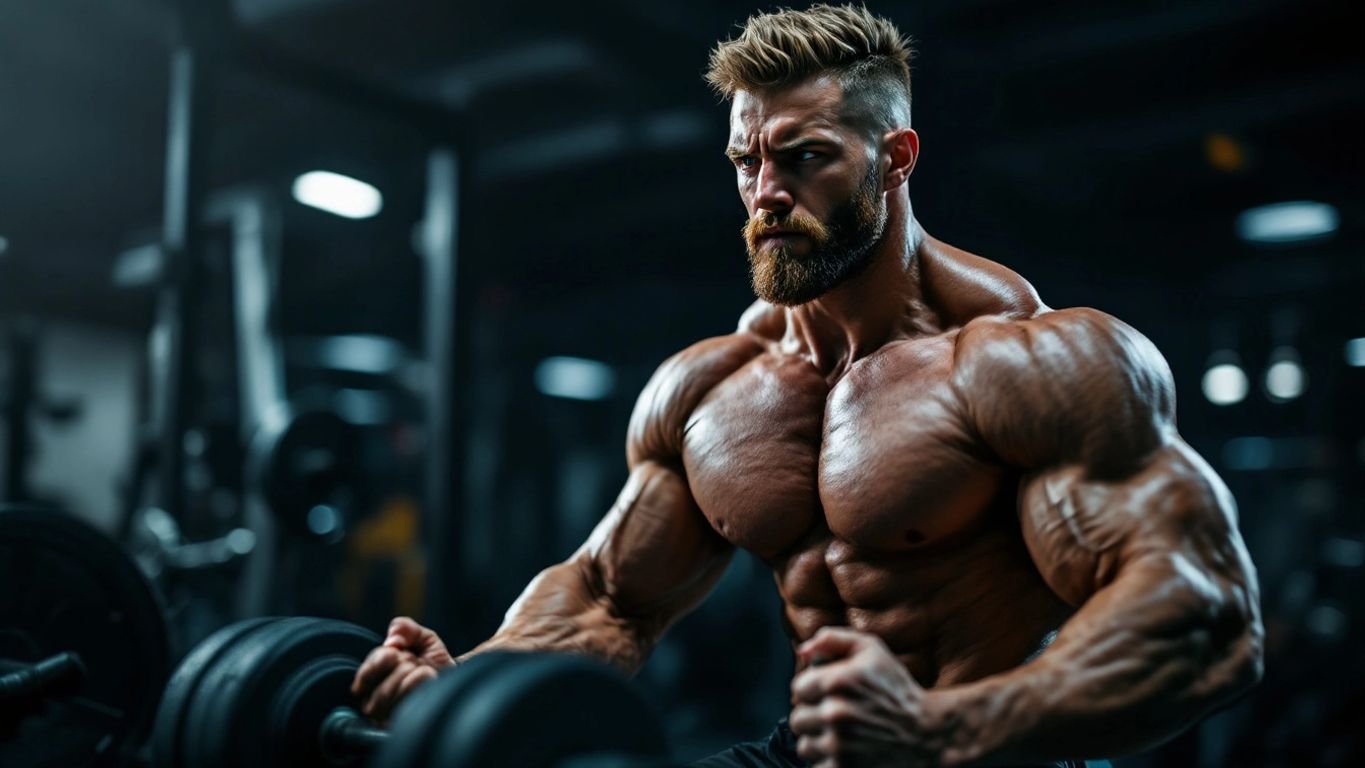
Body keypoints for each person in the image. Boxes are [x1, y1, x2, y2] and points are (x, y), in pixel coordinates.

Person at [352, 5, 1264, 766]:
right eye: (746, 162)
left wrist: (937, 729)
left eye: (804, 157)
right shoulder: (714, 384)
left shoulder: (1024, 364)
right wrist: (463, 688)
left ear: (895, 157)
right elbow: (608, 600)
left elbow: (1208, 617)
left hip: (991, 746)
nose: (765, 193)